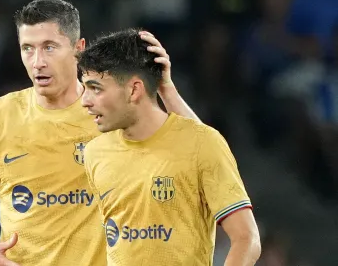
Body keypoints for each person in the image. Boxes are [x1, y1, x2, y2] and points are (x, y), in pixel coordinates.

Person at [0, 0, 199, 266]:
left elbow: (202, 156)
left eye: (49, 47)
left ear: (78, 49)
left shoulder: (114, 110)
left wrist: (165, 88)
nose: (37, 62)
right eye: (28, 48)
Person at [79, 28, 261, 266]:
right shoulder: (95, 153)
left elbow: (246, 239)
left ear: (134, 89)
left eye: (95, 88)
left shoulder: (200, 144)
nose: (84, 101)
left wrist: (167, 89)